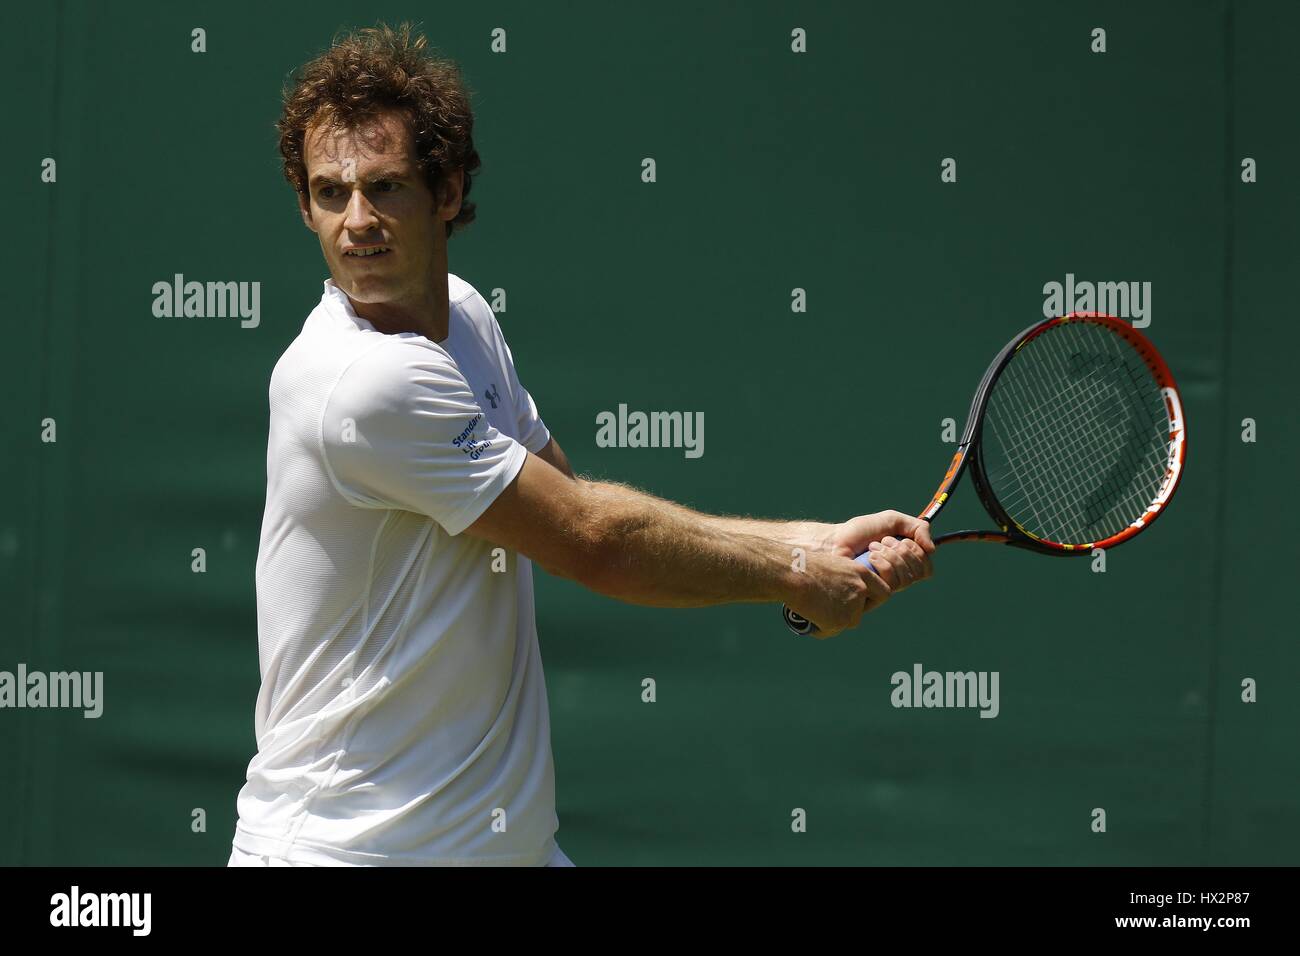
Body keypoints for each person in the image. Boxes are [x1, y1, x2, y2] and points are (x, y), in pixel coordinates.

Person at [228, 23, 934, 868]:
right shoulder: (361, 384)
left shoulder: (466, 318)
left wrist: (808, 543)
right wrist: (794, 574)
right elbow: (592, 542)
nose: (357, 222)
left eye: (385, 186)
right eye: (330, 192)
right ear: (304, 203)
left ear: (447, 188)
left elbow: (574, 500)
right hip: (345, 854)